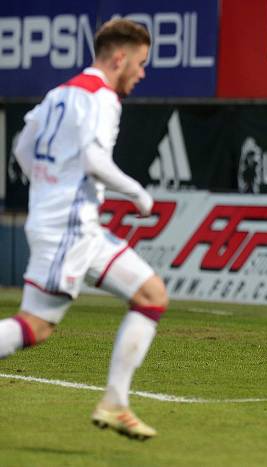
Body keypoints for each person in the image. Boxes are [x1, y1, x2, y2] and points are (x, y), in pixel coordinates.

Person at [0, 19, 166, 440]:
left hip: (77, 227)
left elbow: (21, 148)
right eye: (141, 63)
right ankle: (115, 401)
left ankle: (115, 402)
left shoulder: (60, 93)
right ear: (119, 57)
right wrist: (138, 194)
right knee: (35, 326)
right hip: (67, 229)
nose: (143, 73)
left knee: (151, 295)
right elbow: (93, 160)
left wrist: (47, 185)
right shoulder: (102, 98)